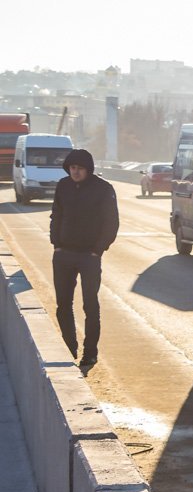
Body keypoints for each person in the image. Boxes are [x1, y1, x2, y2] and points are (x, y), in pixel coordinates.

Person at [49, 148, 119, 367]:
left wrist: (98, 250)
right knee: (63, 305)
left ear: (88, 169)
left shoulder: (103, 189)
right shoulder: (63, 186)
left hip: (89, 256)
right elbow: (56, 215)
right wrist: (56, 244)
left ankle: (90, 353)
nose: (75, 172)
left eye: (79, 168)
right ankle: (69, 347)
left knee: (90, 305)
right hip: (63, 255)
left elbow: (111, 222)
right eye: (72, 168)